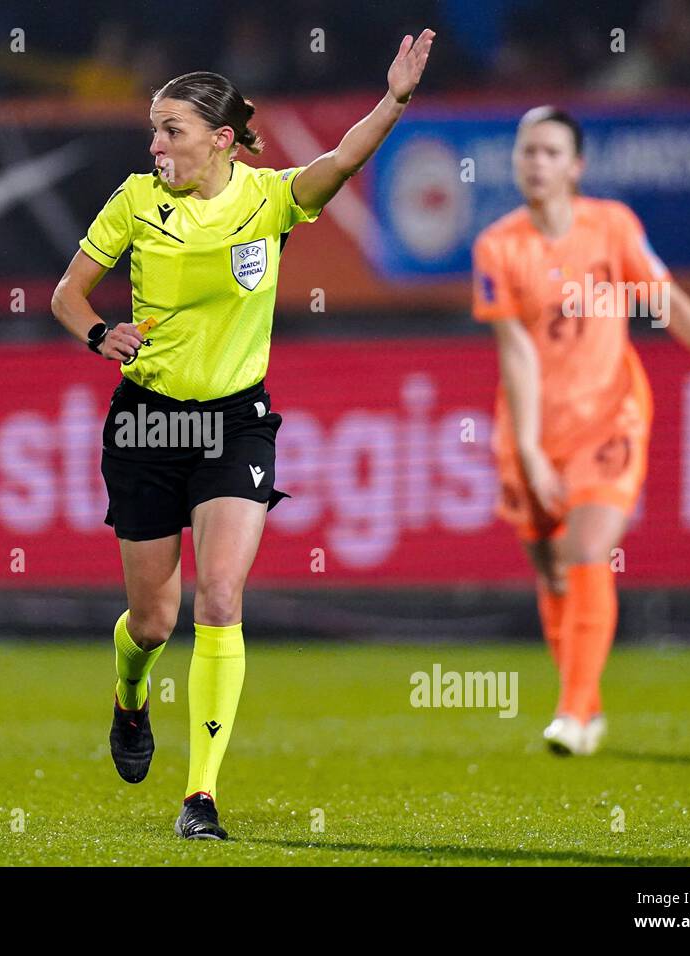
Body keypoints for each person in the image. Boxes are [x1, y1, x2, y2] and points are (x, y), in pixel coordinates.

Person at [51, 32, 435, 838]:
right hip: (149, 422)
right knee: (153, 622)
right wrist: (97, 335)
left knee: (220, 598)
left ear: (221, 139)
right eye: (155, 131)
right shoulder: (133, 202)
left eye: (173, 131)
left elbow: (344, 158)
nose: (157, 145)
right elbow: (67, 295)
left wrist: (394, 100)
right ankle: (129, 699)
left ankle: (200, 797)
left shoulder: (269, 197)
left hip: (235, 423)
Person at [472, 106, 690, 756]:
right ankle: (588, 705)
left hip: (610, 416)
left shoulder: (612, 227)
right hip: (532, 427)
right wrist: (532, 449)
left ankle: (570, 714)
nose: (536, 163)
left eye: (549, 152)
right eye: (526, 152)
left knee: (588, 548)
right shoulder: (499, 245)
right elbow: (514, 352)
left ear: (576, 166)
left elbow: (664, 297)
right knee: (551, 573)